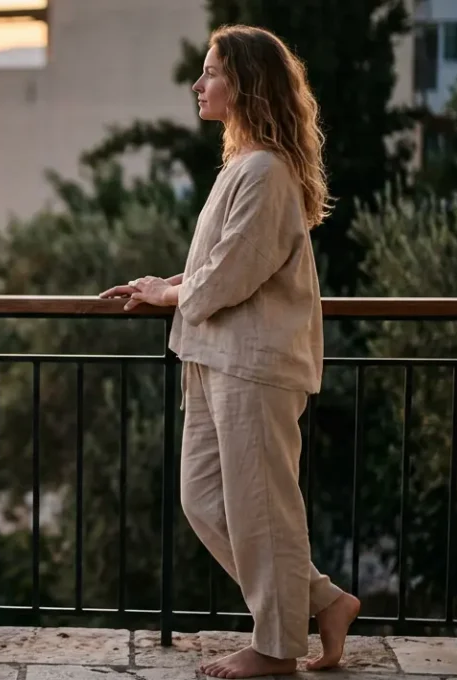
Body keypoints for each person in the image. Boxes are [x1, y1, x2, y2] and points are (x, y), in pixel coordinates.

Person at [99, 25, 361, 679]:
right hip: (217, 358)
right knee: (206, 500)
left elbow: (230, 274)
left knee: (260, 506)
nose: (198, 84)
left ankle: (276, 650)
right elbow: (218, 268)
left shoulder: (267, 172)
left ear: (242, 83)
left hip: (255, 365)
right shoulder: (243, 166)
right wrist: (168, 287)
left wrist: (171, 295)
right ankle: (324, 601)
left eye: (210, 72)